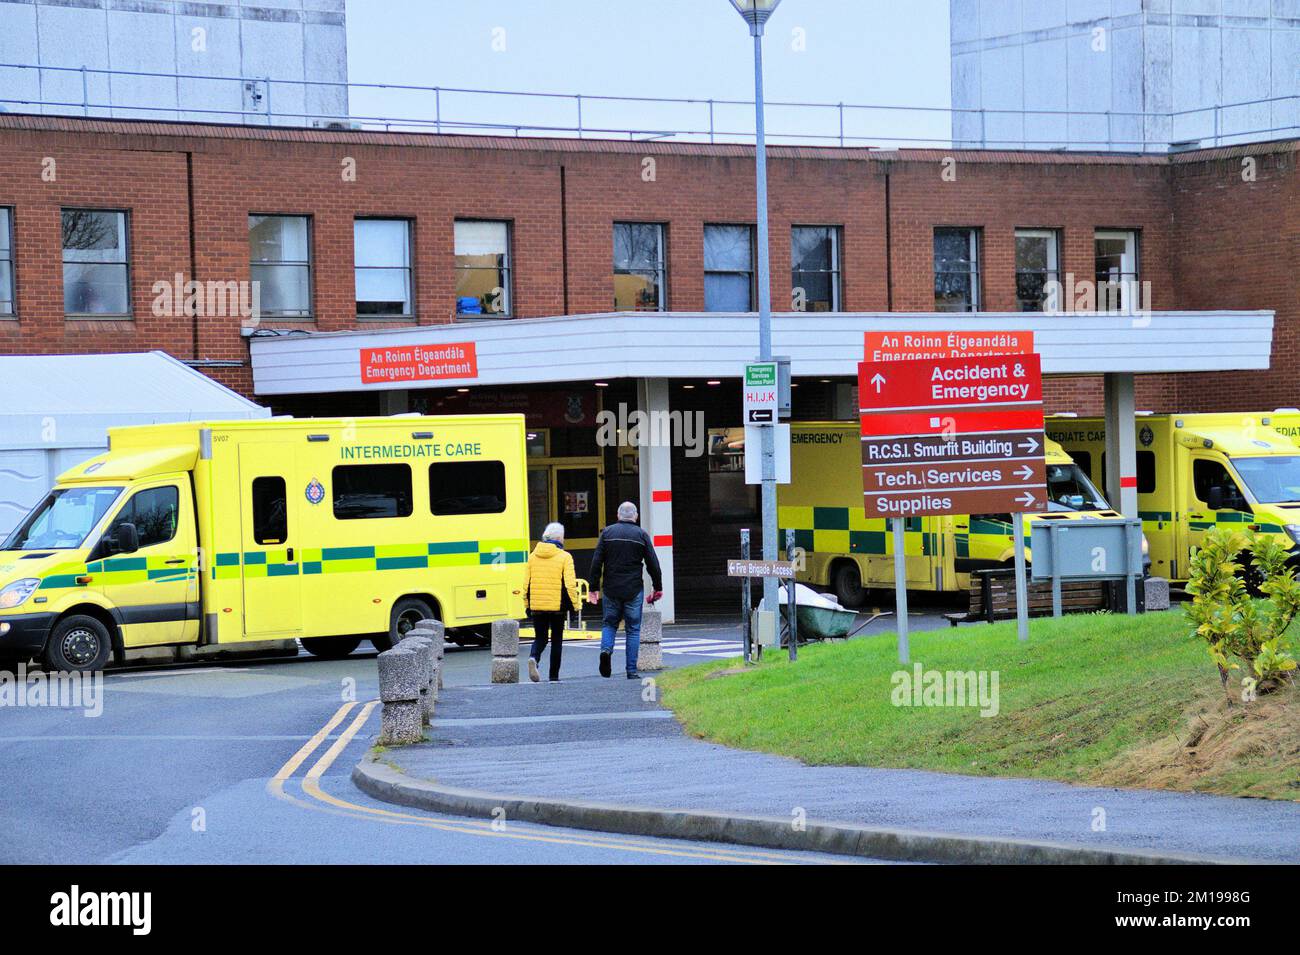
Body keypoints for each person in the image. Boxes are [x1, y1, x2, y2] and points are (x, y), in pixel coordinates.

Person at [588, 501, 663, 680]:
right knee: (633, 629)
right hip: (633, 589)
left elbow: (596, 561)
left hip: (611, 588)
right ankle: (631, 670)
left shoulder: (607, 533)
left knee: (609, 624)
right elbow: (653, 563)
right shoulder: (641, 535)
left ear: (618, 515)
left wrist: (593, 588)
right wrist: (657, 587)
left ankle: (606, 651)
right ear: (635, 516)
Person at [523, 522, 581, 683]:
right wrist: (575, 606)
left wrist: (527, 604)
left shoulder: (532, 556)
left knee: (540, 637)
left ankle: (534, 657)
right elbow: (570, 585)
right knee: (557, 640)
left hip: (537, 605)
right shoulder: (565, 557)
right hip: (558, 607)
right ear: (559, 539)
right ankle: (553, 676)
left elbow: (526, 583)